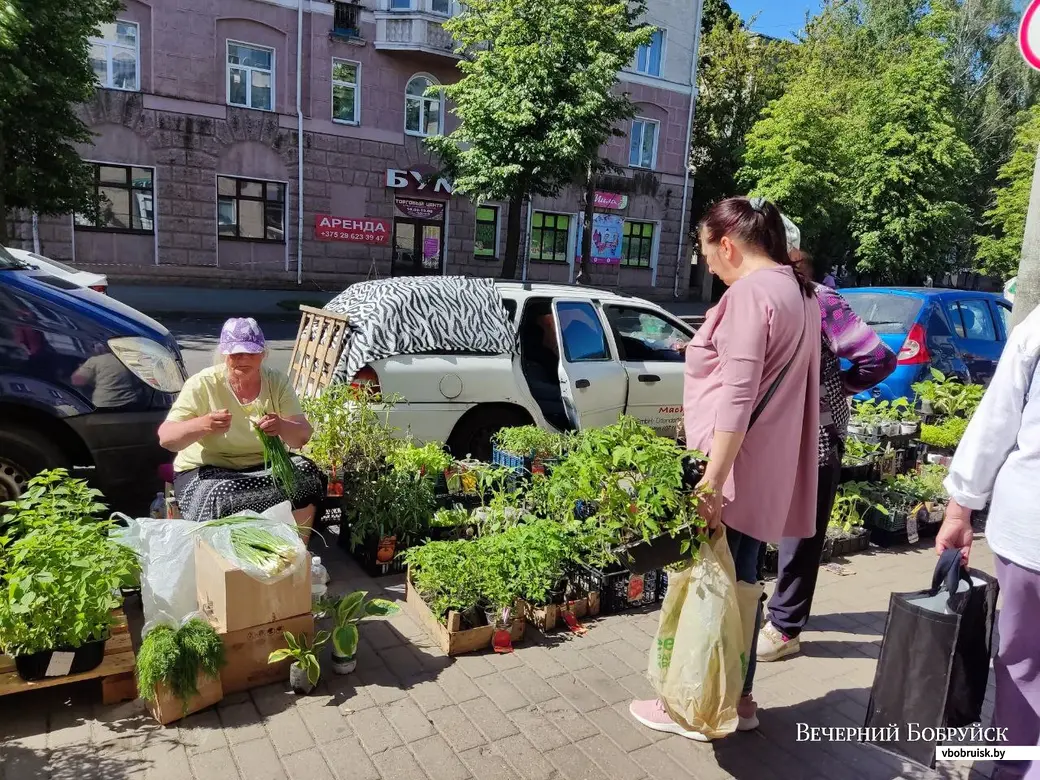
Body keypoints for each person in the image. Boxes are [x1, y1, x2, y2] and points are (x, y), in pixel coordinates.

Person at [629, 196, 821, 739]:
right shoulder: (798, 291)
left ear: (728, 245)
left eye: (705, 251)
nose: (705, 263)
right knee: (741, 585)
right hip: (770, 467)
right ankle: (741, 699)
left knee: (711, 588)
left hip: (733, 469)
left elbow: (738, 395)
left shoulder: (750, 295)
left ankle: (694, 706)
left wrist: (711, 481)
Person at [756, 249, 897, 662]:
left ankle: (785, 626)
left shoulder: (821, 301)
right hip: (765, 437)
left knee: (800, 534)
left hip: (813, 436)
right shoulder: (754, 296)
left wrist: (837, 387)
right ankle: (775, 610)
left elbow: (878, 358)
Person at [935, 304, 1040, 780]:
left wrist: (961, 508)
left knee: (1020, 664)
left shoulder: (1037, 327)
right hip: (1027, 533)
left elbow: (996, 421)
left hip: (1029, 533)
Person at [158, 317, 325, 529]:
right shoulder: (203, 384)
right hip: (210, 467)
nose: (242, 359)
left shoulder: (276, 381)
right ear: (224, 355)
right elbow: (167, 438)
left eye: (250, 353)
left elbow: (302, 436)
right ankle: (225, 558)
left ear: (263, 354)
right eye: (234, 353)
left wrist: (281, 426)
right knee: (224, 494)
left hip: (263, 464)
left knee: (308, 476)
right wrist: (204, 424)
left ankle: (296, 552)